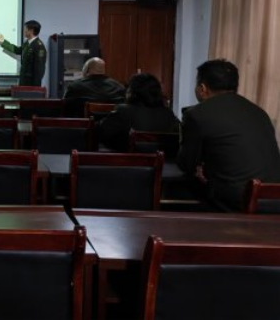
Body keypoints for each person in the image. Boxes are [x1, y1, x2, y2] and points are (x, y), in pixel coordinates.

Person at [177, 59, 280, 212]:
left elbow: (186, 164)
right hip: (274, 200)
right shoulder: (259, 112)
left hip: (238, 202)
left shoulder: (197, 114)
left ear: (203, 88)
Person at [98, 73, 180, 152]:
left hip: (128, 160)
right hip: (164, 160)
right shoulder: (169, 114)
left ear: (132, 92)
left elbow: (102, 133)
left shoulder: (123, 110)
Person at [0, 20, 47, 86]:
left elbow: (39, 70)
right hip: (24, 81)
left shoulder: (39, 46)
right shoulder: (27, 43)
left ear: (31, 30)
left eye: (25, 29)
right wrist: (3, 42)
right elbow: (17, 50)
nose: (24, 31)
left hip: (31, 85)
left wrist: (35, 89)